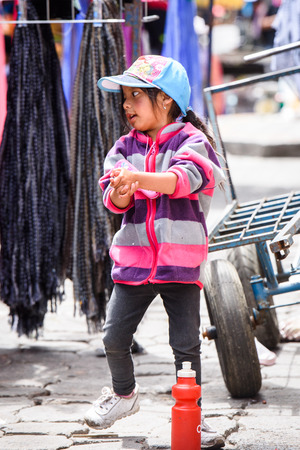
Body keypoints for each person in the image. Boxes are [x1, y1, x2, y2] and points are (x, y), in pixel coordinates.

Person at [83, 54, 226, 449]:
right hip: (133, 262)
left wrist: (139, 177)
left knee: (185, 345)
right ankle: (123, 394)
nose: (126, 105)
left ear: (164, 100)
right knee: (114, 336)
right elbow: (114, 198)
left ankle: (193, 415)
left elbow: (182, 180)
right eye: (124, 98)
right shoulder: (124, 147)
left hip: (180, 265)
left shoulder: (194, 142)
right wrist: (121, 190)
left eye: (134, 97)